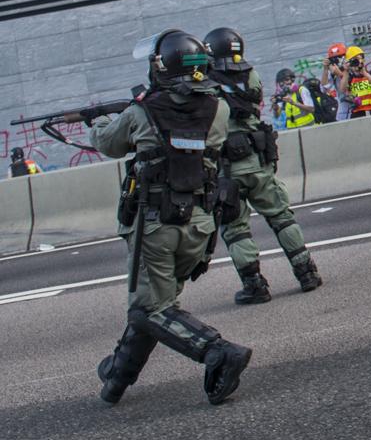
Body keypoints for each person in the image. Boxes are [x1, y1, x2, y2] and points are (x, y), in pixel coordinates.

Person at [88, 30, 251, 405]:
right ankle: (116, 376)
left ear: (162, 66)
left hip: (156, 226)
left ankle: (218, 351)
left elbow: (109, 143)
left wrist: (97, 124)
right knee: (153, 306)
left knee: (151, 309)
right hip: (199, 225)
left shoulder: (142, 110)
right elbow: (185, 124)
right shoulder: (219, 108)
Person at [204, 28, 321, 305]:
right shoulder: (250, 76)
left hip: (226, 168)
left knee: (235, 228)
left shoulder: (206, 84)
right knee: (281, 217)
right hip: (258, 161)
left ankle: (254, 286)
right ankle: (306, 273)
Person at [338, 46, 371, 118]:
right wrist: (346, 71)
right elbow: (342, 90)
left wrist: (365, 73)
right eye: (354, 60)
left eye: (359, 59)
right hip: (358, 113)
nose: (357, 62)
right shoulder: (349, 77)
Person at [321, 43, 353, 121]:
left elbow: (350, 83)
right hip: (343, 106)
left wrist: (339, 73)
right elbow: (324, 87)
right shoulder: (333, 72)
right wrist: (325, 69)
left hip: (357, 105)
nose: (337, 61)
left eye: (340, 57)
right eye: (333, 59)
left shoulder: (353, 67)